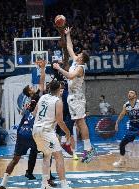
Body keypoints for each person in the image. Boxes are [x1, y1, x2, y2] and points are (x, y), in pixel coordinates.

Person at [53, 27, 96, 163]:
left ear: (82, 59)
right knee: (76, 123)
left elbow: (71, 76)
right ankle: (69, 143)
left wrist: (59, 68)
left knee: (80, 122)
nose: (76, 55)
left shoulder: (80, 68)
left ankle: (89, 149)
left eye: (80, 55)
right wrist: (68, 34)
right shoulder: (75, 62)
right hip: (72, 97)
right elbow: (69, 47)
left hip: (77, 97)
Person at [33, 80, 72, 189]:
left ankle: (44, 184)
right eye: (61, 89)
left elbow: (34, 113)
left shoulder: (42, 97)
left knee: (47, 155)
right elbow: (60, 121)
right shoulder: (58, 101)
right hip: (46, 131)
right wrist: (68, 132)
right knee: (59, 157)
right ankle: (64, 185)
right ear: (59, 90)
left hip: (36, 130)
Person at [0, 99, 38, 189]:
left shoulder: (26, 113)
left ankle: (2, 184)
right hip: (31, 136)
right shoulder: (39, 114)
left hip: (21, 135)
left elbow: (20, 119)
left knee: (14, 160)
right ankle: (46, 181)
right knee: (47, 155)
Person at [113, 90, 139, 168]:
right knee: (122, 144)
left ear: (135, 96)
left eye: (132, 93)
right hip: (132, 128)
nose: (129, 94)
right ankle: (122, 161)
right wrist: (117, 123)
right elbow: (122, 114)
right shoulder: (126, 105)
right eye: (129, 93)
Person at [56, 81, 78, 160]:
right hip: (60, 116)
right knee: (57, 134)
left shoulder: (67, 93)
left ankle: (74, 152)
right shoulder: (55, 95)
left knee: (70, 134)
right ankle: (57, 152)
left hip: (68, 115)